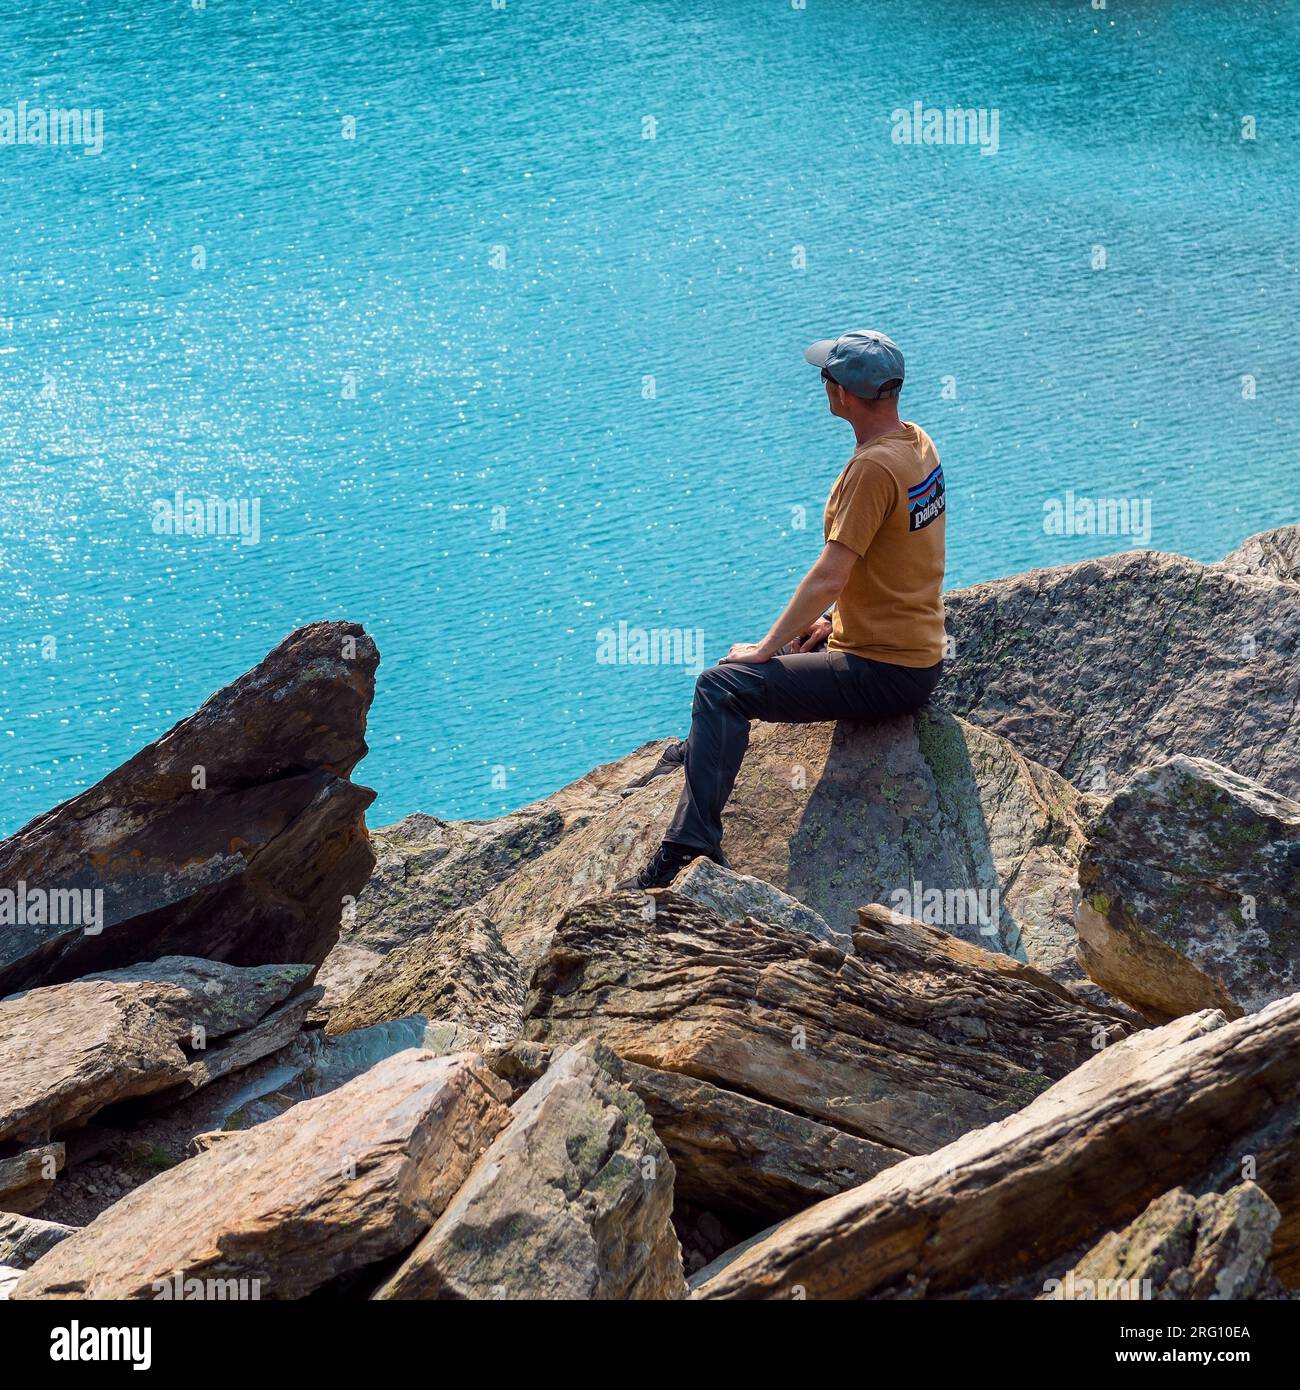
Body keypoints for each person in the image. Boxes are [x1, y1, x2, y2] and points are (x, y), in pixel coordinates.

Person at [618, 328, 947, 890]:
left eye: (826, 376)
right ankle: (701, 753)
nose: (822, 384)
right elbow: (898, 556)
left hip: (885, 671)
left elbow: (829, 576)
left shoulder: (871, 469)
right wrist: (832, 623)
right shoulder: (916, 443)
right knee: (759, 665)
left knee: (721, 686)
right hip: (914, 653)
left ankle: (688, 845)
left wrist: (768, 648)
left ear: (841, 393)